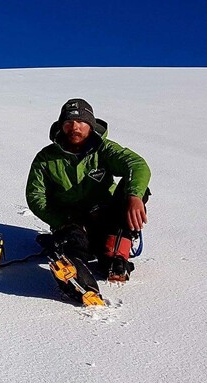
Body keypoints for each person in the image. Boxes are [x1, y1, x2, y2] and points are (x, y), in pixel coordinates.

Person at [26, 98, 151, 299]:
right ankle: (75, 274)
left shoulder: (104, 149)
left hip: (104, 215)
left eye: (81, 122)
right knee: (74, 242)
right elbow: (35, 195)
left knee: (136, 189)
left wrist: (134, 196)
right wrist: (60, 220)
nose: (74, 127)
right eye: (68, 122)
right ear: (61, 126)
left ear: (90, 125)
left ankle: (116, 258)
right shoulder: (45, 158)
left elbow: (136, 165)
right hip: (70, 221)